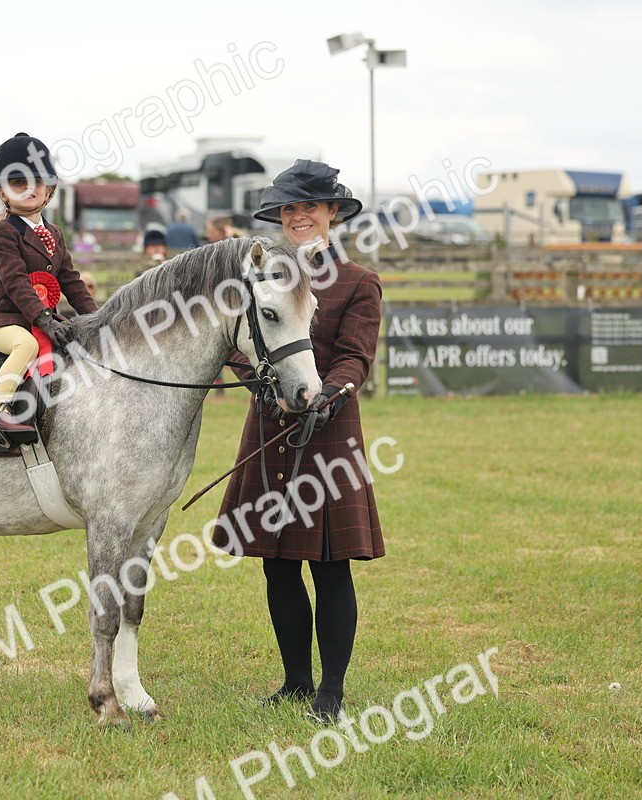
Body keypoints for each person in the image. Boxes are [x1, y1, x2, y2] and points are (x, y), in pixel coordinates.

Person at [212, 160, 384, 721]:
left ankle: (330, 692)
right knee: (277, 563)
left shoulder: (358, 283)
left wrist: (328, 395)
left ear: (332, 212)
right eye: (289, 208)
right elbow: (240, 346)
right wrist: (264, 386)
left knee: (331, 565)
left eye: (308, 206)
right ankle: (293, 681)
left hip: (329, 432)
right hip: (270, 426)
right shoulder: (262, 277)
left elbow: (357, 356)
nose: (298, 217)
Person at [0, 133, 98, 443]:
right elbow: (15, 280)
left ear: (50, 189)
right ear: (2, 193)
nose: (30, 189)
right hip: (3, 319)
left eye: (37, 182)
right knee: (27, 346)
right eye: (18, 183)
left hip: (40, 318)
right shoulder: (1, 231)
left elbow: (71, 280)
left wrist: (97, 317)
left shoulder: (55, 233)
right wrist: (43, 318)